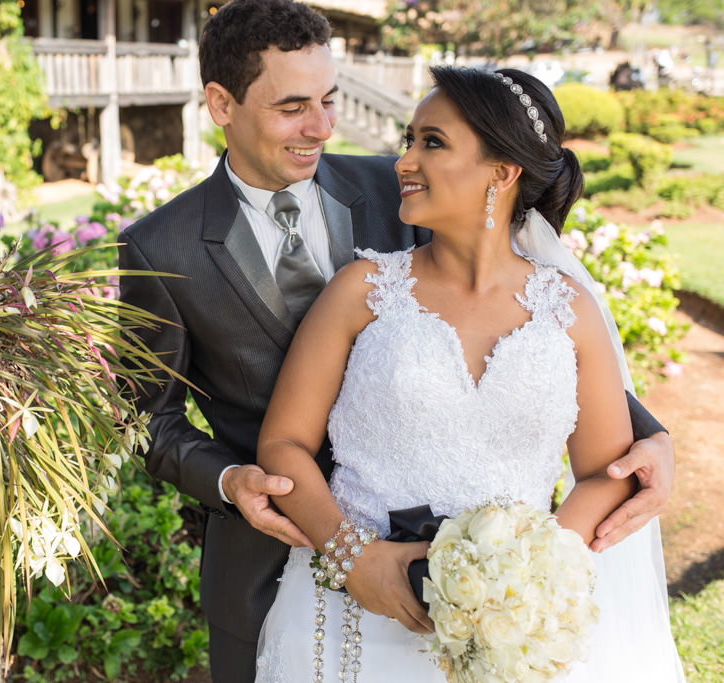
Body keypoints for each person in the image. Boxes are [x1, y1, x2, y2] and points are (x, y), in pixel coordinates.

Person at [118, 1, 674, 680]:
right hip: (277, 565)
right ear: (220, 103)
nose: (320, 127)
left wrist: (646, 437)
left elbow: (537, 334)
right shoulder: (159, 248)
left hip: (490, 589)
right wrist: (234, 481)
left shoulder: (403, 184)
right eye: (294, 106)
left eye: (328, 99)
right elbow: (146, 419)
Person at [254, 65, 683, 682]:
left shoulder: (569, 311)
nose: (404, 161)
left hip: (508, 631)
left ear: (502, 172)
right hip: (350, 619)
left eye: (432, 142)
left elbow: (602, 473)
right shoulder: (363, 291)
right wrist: (352, 557)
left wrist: (528, 575)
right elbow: (283, 444)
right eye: (409, 140)